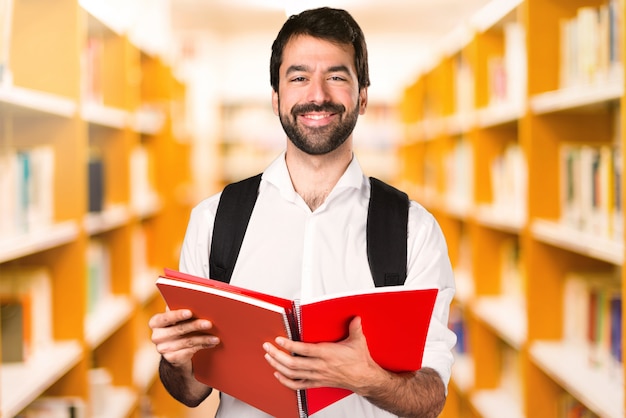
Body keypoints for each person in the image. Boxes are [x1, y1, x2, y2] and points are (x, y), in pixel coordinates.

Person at [149, 7, 456, 418]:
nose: (317, 95)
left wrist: (367, 378)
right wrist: (176, 360)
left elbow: (430, 400)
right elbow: (190, 393)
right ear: (276, 97)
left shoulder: (413, 230)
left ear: (362, 97)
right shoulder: (214, 220)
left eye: (336, 76)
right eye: (298, 77)